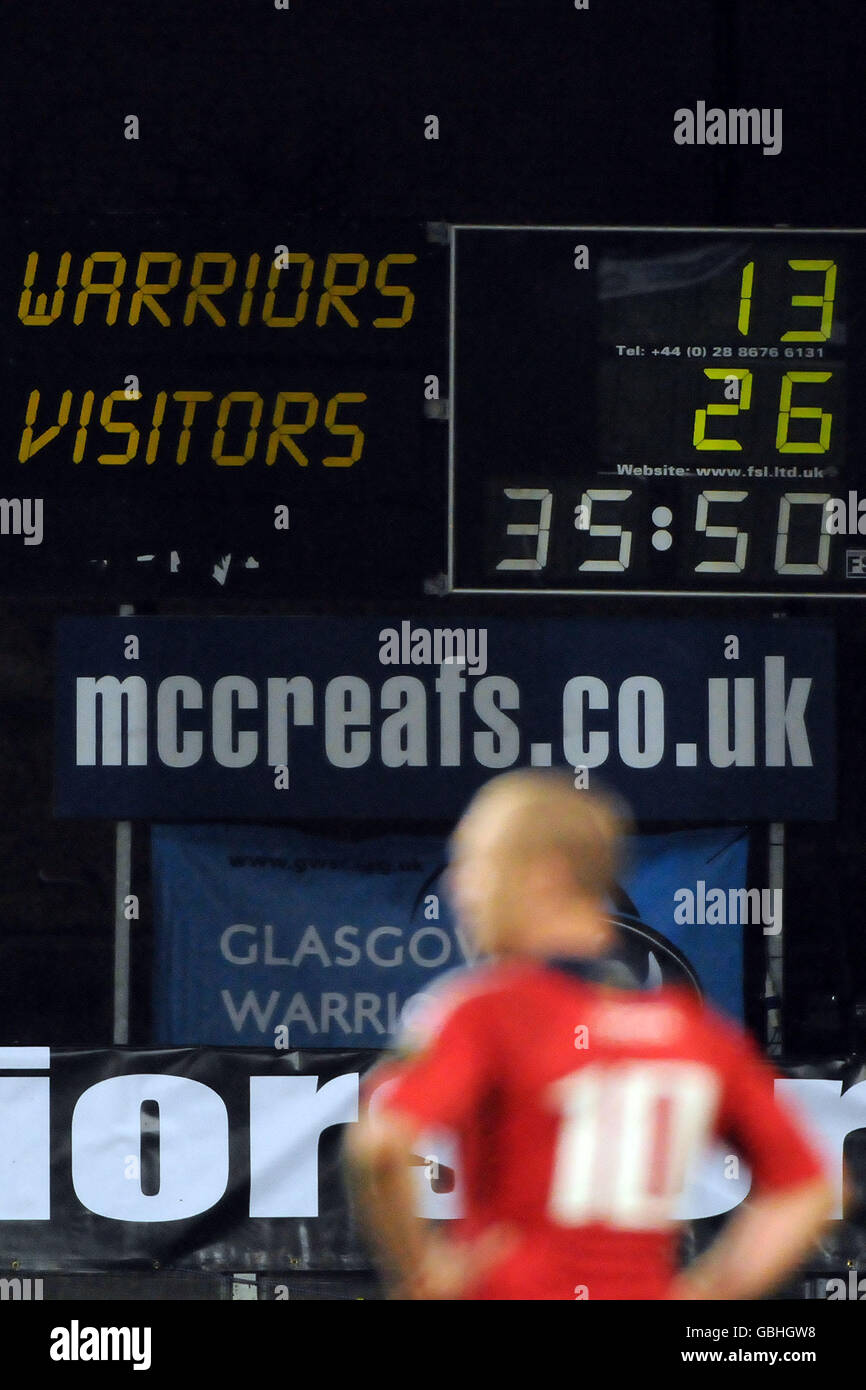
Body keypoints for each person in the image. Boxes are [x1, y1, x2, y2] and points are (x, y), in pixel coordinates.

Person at [345, 769, 833, 1300]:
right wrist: (708, 1293)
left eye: (476, 864)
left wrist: (422, 1275)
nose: (457, 886)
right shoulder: (693, 1033)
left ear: (544, 876)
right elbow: (807, 1188)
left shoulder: (485, 1012)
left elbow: (381, 1145)